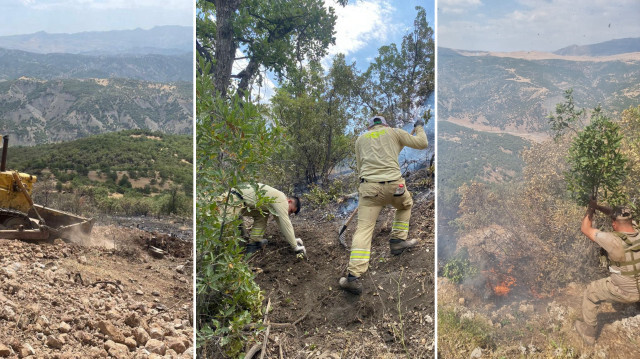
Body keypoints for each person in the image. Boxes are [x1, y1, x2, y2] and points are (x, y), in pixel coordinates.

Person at [339, 115, 428, 295]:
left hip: (370, 189)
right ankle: (397, 241)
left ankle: (353, 277)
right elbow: (422, 143)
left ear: (370, 127)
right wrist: (418, 127)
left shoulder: (360, 140)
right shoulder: (394, 132)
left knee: (364, 228)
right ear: (385, 124)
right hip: (395, 186)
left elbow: (360, 166)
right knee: (405, 205)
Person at [576, 201, 640, 345]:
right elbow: (616, 215)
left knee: (591, 292)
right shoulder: (637, 231)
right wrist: (598, 206)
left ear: (613, 224)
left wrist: (591, 208)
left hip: (625, 292)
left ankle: (589, 334)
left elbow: (585, 228)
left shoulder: (612, 240)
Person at [228, 183, 306, 257]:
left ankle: (254, 243)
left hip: (239, 203)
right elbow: (286, 223)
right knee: (224, 233)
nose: (289, 213)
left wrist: (293, 240)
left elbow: (281, 223)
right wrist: (295, 246)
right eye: (291, 210)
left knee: (263, 213)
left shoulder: (276, 202)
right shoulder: (282, 200)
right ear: (289, 201)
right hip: (230, 199)